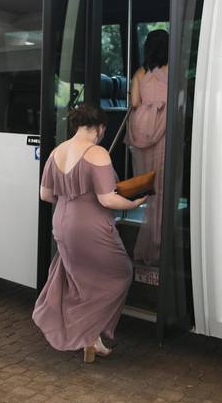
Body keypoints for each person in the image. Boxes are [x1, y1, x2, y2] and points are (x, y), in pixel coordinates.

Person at [33, 104, 147, 363]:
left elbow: (45, 195)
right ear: (100, 128)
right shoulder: (97, 153)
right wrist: (135, 202)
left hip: (61, 224)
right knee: (121, 273)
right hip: (90, 226)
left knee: (81, 281)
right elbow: (107, 199)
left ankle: (91, 340)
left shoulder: (57, 151)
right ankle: (84, 331)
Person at [126, 29, 169, 265]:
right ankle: (157, 245)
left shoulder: (140, 73)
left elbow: (134, 103)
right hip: (162, 128)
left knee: (146, 187)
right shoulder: (171, 72)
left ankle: (143, 245)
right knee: (161, 188)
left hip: (140, 128)